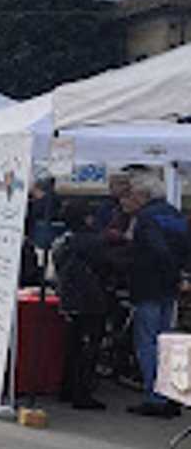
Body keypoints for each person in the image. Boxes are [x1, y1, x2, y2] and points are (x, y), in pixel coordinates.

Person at [122, 170, 190, 417]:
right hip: (170, 288)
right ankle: (172, 394)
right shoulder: (175, 215)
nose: (130, 198)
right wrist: (182, 276)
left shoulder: (146, 218)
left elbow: (157, 250)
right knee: (167, 343)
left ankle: (155, 396)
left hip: (148, 285)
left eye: (133, 193)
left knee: (148, 343)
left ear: (143, 194)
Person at [53, 200, 110, 410]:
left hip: (69, 297)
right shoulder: (93, 241)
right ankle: (82, 393)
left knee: (73, 346)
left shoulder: (61, 241)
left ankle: (67, 389)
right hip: (92, 299)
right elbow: (108, 266)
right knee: (89, 347)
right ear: (87, 218)